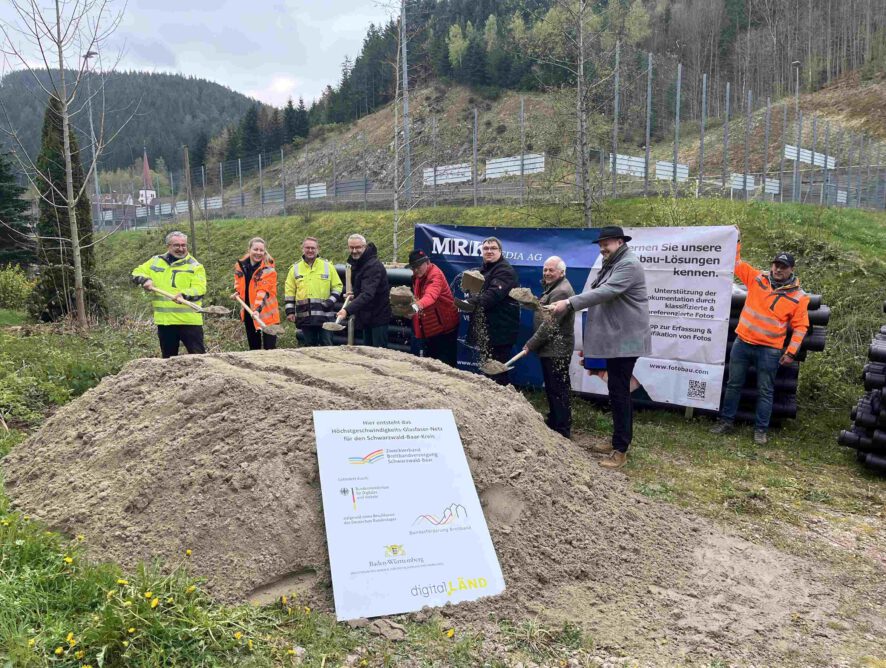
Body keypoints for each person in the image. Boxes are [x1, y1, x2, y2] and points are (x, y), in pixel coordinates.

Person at [548, 225, 651, 469]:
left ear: (619, 242)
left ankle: (621, 450)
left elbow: (607, 291)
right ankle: (617, 441)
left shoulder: (628, 264)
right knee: (616, 392)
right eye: (600, 244)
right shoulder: (613, 263)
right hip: (617, 340)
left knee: (620, 393)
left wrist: (569, 303)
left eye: (607, 243)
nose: (603, 247)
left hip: (625, 341)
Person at [711, 244, 809, 444]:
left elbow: (801, 327)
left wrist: (791, 352)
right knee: (733, 385)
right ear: (771, 266)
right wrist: (736, 241)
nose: (778, 269)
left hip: (770, 350)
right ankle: (725, 422)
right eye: (776, 265)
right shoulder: (757, 279)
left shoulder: (799, 297)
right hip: (742, 343)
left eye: (783, 266)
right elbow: (736, 264)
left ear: (791, 269)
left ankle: (761, 430)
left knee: (765, 391)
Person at [131, 231, 207, 359]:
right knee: (168, 360)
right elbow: (137, 272)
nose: (181, 249)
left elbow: (200, 289)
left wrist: (184, 295)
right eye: (176, 245)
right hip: (165, 322)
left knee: (199, 358)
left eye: (184, 245)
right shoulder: (155, 262)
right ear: (168, 246)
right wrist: (145, 280)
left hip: (189, 322)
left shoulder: (195, 266)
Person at [523, 256, 575, 439]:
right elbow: (545, 311)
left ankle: (561, 429)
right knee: (554, 388)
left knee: (558, 389)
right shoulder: (553, 288)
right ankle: (555, 421)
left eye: (551, 270)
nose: (547, 273)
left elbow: (550, 325)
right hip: (551, 348)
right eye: (545, 270)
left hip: (556, 349)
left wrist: (531, 344)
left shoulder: (561, 292)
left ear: (561, 272)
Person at [457, 236, 520, 385]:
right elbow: (474, 290)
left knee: (497, 374)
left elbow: (491, 296)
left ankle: (504, 404)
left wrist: (467, 302)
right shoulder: (483, 270)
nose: (489, 251)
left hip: (500, 333)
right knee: (487, 372)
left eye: (493, 248)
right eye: (486, 248)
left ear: (500, 251)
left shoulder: (505, 271)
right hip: (487, 330)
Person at [283, 237, 343, 346]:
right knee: (309, 346)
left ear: (318, 249)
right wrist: (290, 311)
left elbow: (338, 287)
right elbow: (289, 292)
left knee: (327, 344)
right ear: (302, 249)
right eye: (307, 248)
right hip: (305, 317)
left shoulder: (328, 267)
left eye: (313, 248)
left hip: (325, 316)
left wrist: (330, 302)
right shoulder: (294, 269)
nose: (310, 250)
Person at [408, 249, 460, 367]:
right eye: (413, 267)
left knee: (446, 367)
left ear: (427, 262)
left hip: (444, 330)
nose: (416, 270)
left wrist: (415, 307)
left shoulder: (435, 275)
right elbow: (418, 298)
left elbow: (430, 296)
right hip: (429, 330)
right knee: (431, 367)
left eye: (418, 266)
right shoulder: (417, 276)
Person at [337, 234, 391, 347]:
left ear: (364, 247)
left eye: (358, 247)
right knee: (367, 352)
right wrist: (354, 295)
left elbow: (367, 293)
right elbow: (362, 288)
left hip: (378, 317)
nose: (354, 250)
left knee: (378, 354)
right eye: (351, 247)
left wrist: (346, 310)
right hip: (366, 316)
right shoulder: (359, 263)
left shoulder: (372, 266)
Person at [232, 237, 279, 351]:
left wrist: (257, 310)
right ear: (249, 250)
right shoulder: (241, 266)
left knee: (270, 350)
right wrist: (237, 293)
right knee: (254, 349)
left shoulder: (268, 269)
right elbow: (239, 284)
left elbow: (263, 291)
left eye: (261, 250)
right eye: (255, 249)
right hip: (249, 312)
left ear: (264, 251)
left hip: (268, 315)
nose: (258, 253)